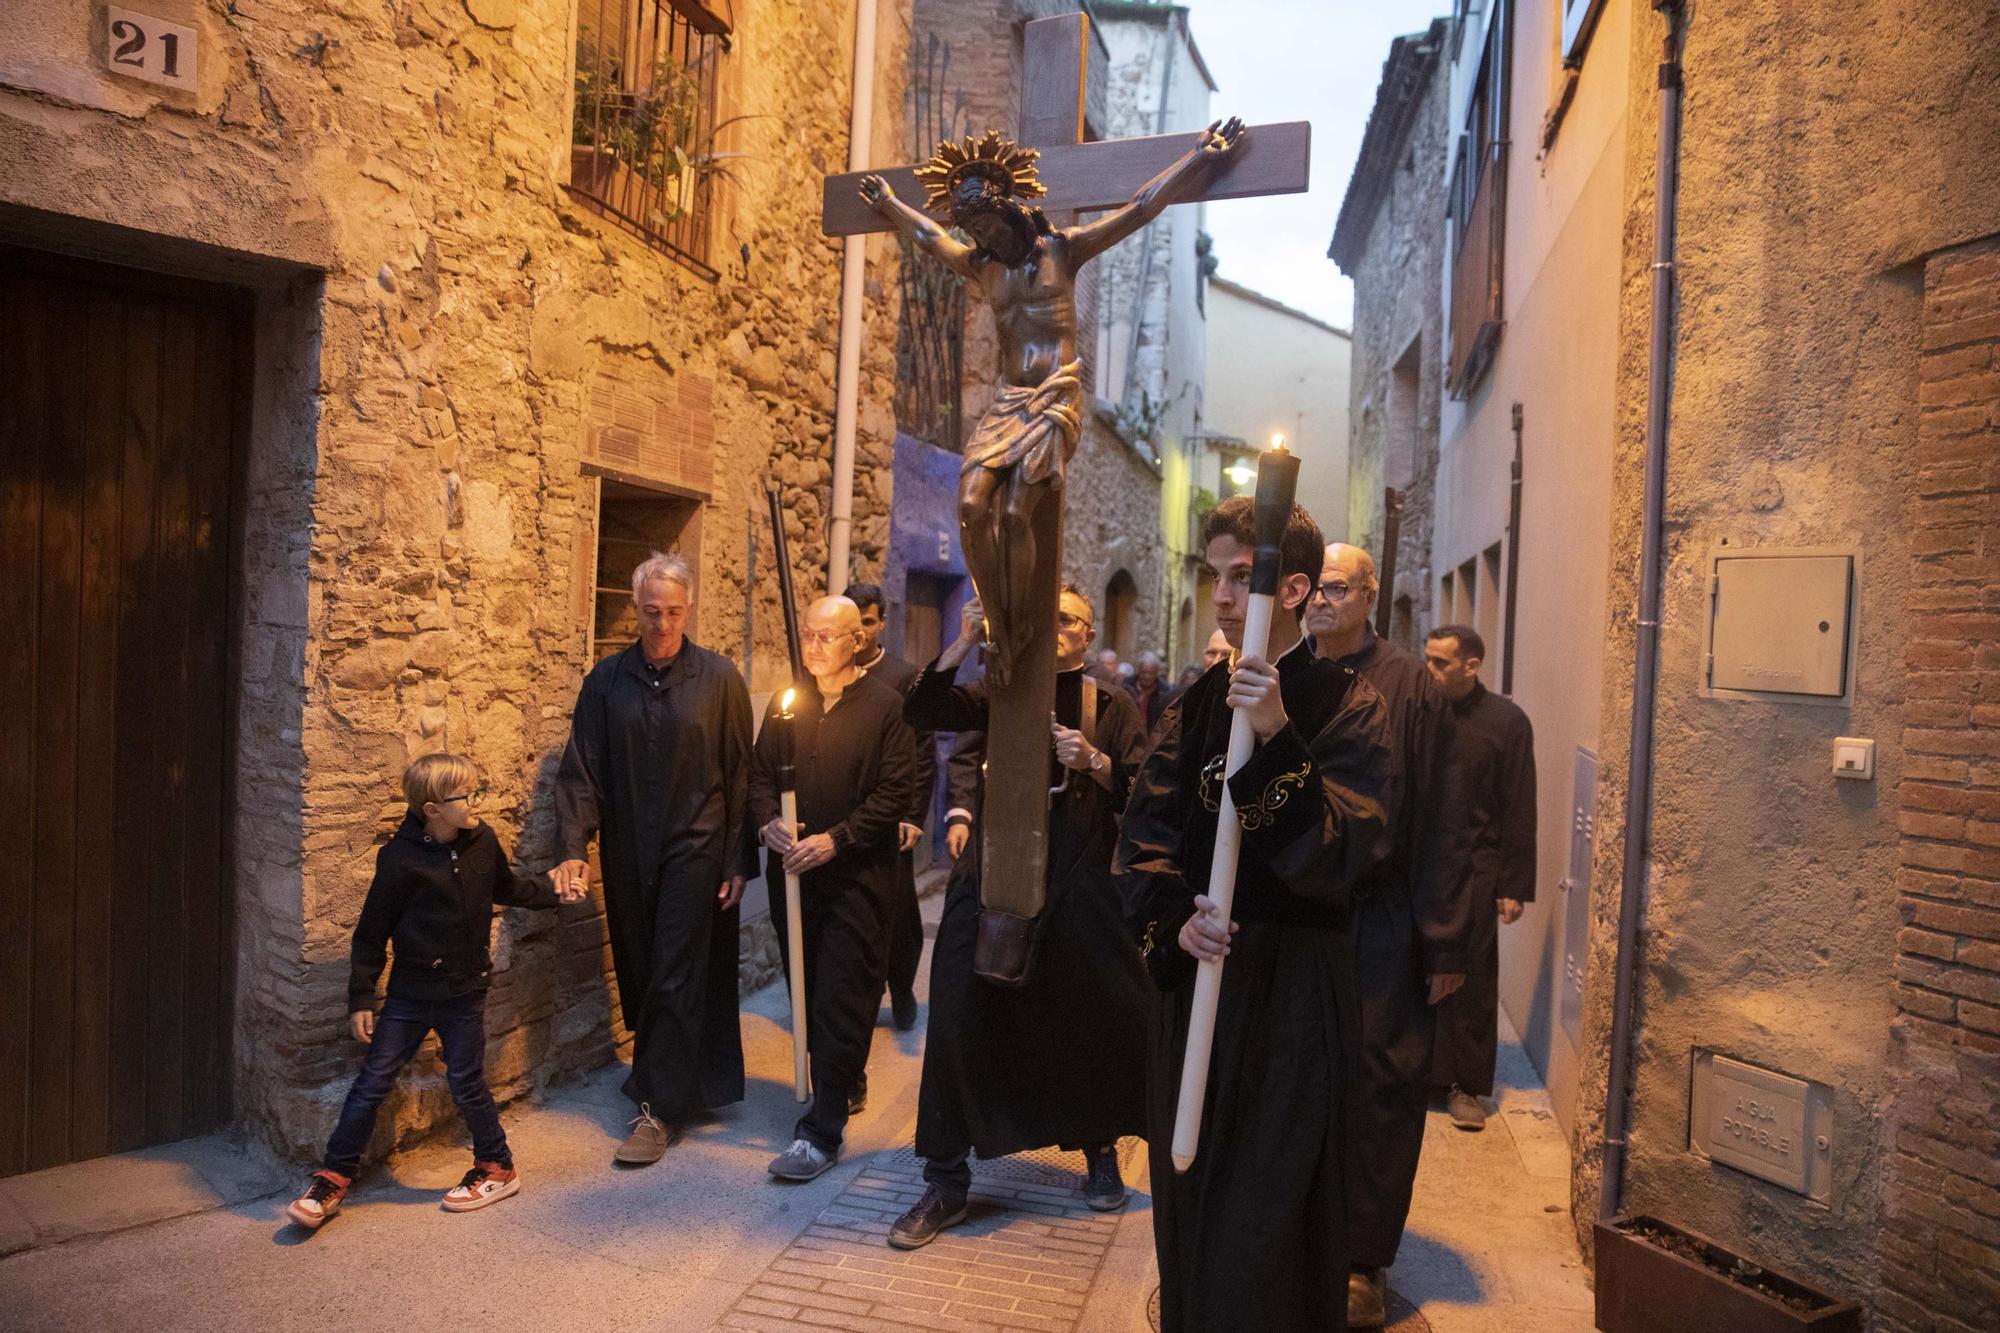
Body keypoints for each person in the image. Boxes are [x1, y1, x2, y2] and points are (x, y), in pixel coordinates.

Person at [1118, 499, 1392, 1331]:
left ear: (1296, 587)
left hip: (1290, 1008)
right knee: (1191, 1206)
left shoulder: (1350, 705)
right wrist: (1175, 923)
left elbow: (1345, 853)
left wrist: (1275, 732)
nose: (1224, 595)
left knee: (1264, 1227)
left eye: (1245, 575)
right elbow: (1145, 842)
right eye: (1216, 575)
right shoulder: (1194, 705)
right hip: (1199, 990)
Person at [860, 119, 1244, 684]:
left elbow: (1138, 208)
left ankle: (1019, 633)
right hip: (1008, 400)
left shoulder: (1062, 252)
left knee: (1016, 513)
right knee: (970, 507)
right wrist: (892, 204)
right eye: (977, 229)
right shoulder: (982, 266)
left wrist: (1198, 159)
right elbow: (928, 238)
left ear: (1011, 209)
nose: (987, 236)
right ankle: (997, 618)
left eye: (992, 221)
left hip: (1055, 395)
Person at [888, 585, 1152, 1247]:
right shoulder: (999, 692)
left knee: (1088, 1017)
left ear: (1087, 634)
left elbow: (1148, 789)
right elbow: (921, 708)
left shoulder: (1111, 704)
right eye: (1045, 614)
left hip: (1077, 885)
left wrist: (1091, 759)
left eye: (1067, 618)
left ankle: (1097, 1150)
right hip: (990, 879)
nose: (1054, 626)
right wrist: (966, 639)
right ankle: (946, 1178)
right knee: (955, 1012)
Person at [287, 755, 580, 1230]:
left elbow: (507, 888)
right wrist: (361, 996)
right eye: (466, 795)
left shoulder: (482, 842)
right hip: (409, 994)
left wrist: (554, 892)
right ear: (432, 809)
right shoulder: (400, 859)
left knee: (466, 1080)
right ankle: (334, 1175)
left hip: (465, 991)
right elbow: (371, 932)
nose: (477, 801)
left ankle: (497, 1166)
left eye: (476, 789)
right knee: (372, 1083)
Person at [1307, 544, 1472, 1328]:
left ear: (1369, 596)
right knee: (1298, 1079)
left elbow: (1444, 820)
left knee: (1379, 1087)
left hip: (1383, 920)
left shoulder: (1414, 686)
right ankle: (1296, 1236)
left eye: (1337, 589)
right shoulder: (1284, 671)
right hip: (1298, 918)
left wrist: (1442, 942)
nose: (1321, 603)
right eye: (1314, 589)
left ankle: (1361, 1259)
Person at [553, 553, 754, 1166]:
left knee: (674, 967)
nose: (662, 624)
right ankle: (675, 1079)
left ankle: (658, 1112)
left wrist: (737, 859)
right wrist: (573, 849)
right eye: (650, 613)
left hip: (697, 847)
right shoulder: (606, 683)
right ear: (635, 611)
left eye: (671, 612)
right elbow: (581, 771)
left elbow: (742, 775)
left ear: (687, 609)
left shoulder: (719, 679)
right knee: (642, 970)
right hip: (629, 848)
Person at [749, 596, 918, 1181]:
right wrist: (769, 820)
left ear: (856, 643)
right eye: (809, 635)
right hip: (794, 878)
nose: (815, 647)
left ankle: (820, 1135)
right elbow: (761, 775)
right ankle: (841, 1080)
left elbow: (895, 791)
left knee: (842, 995)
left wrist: (836, 840)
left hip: (855, 880)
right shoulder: (786, 705)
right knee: (807, 987)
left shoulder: (887, 710)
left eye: (828, 637)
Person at [1423, 625, 1536, 1131]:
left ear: (1471, 665)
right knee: (1414, 968)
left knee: (1469, 976)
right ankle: (1419, 1073)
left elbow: (1518, 803)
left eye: (1441, 663)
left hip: (1478, 865)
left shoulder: (1506, 722)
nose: (1431, 671)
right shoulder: (1420, 711)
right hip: (1422, 858)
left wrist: (1513, 884)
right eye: (1427, 660)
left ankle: (1464, 1085)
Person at [847, 582, 937, 1032]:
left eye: (868, 621)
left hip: (892, 819)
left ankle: (901, 988)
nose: (860, 632)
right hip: (846, 821)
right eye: (853, 622)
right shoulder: (826, 673)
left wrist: (913, 816)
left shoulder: (904, 677)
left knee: (899, 916)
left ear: (881, 623)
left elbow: (923, 751)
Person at [1132, 650, 1174, 733]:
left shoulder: (1164, 691)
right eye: (1143, 672)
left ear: (1156, 673)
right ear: (1138, 671)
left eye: (1150, 673)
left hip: (1152, 736)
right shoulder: (1128, 686)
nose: (1146, 676)